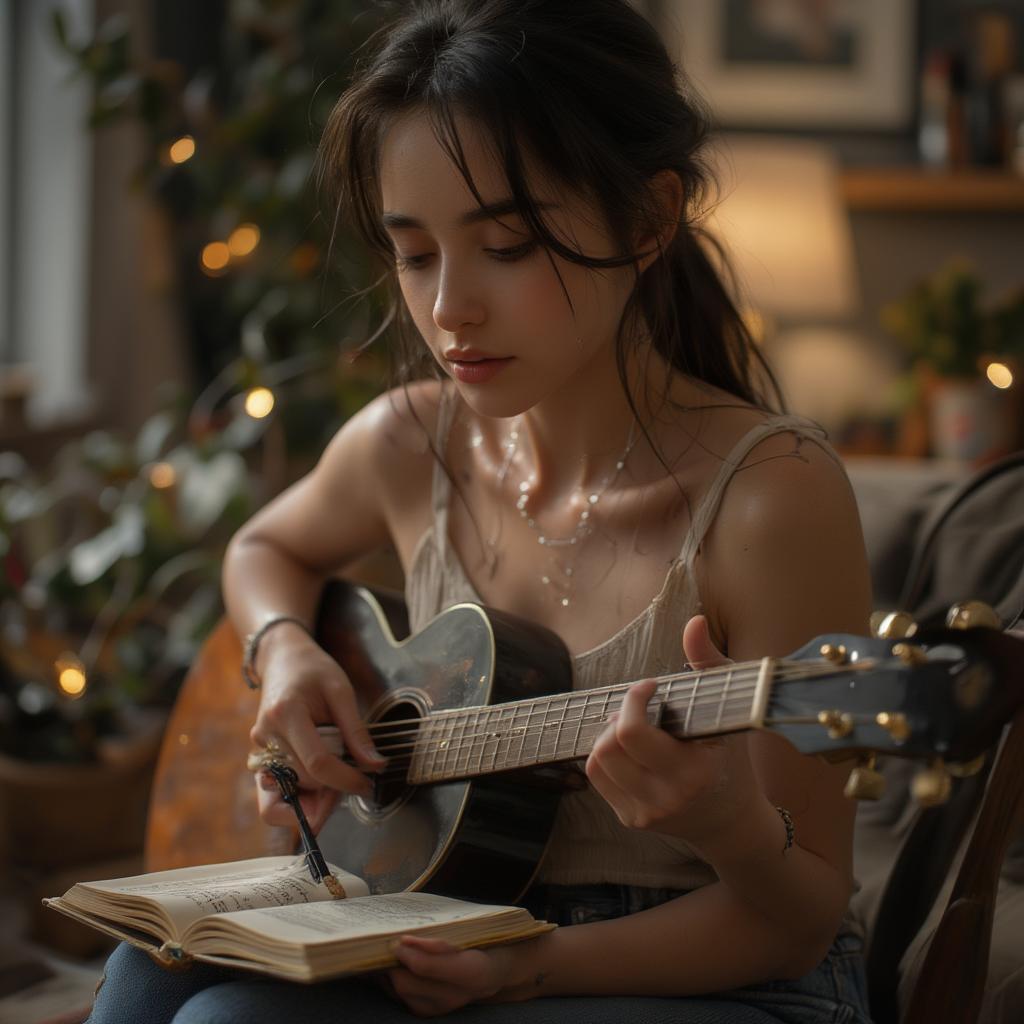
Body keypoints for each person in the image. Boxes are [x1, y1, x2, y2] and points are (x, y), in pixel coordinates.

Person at [86, 1, 873, 1021]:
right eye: (415, 254)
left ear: (646, 221)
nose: (450, 306)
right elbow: (262, 545)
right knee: (151, 971)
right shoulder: (410, 443)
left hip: (721, 967)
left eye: (504, 246)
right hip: (453, 917)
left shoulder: (773, 499)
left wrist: (723, 823)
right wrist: (284, 650)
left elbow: (799, 914)